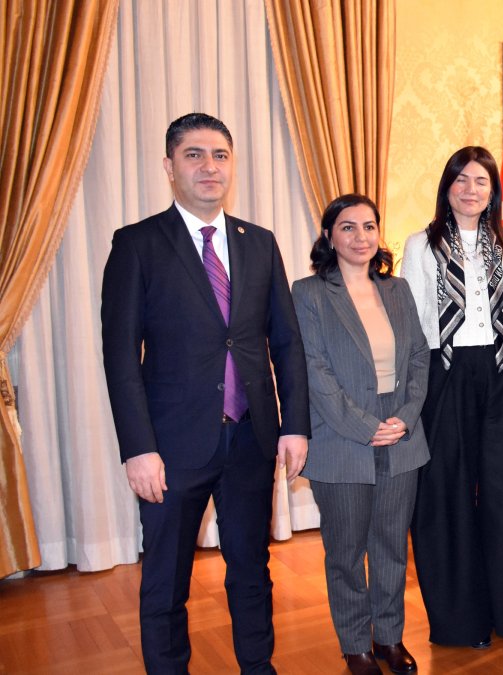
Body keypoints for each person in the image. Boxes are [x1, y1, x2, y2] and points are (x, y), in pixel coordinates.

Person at [100, 112, 309, 674]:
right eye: (193, 155)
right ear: (170, 167)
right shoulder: (137, 244)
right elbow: (120, 358)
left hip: (250, 439)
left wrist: (294, 425)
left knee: (251, 568)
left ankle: (257, 667)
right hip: (169, 447)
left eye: (219, 155)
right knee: (166, 579)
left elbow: (286, 344)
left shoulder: (259, 244)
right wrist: (137, 447)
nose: (209, 166)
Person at [402, 147, 503, 648]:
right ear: (447, 187)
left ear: (493, 190)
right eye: (461, 180)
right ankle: (459, 618)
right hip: (445, 376)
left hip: (501, 376)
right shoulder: (421, 245)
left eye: (480, 181)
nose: (470, 189)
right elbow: (415, 323)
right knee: (447, 494)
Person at [292, 194, 428, 675]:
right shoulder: (308, 293)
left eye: (368, 227)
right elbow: (314, 370)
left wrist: (406, 417)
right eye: (347, 227)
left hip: (402, 436)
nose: (360, 237)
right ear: (329, 235)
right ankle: (355, 645)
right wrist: (365, 427)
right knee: (347, 552)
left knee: (391, 546)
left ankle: (389, 638)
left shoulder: (398, 290)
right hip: (342, 441)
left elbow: (418, 359)